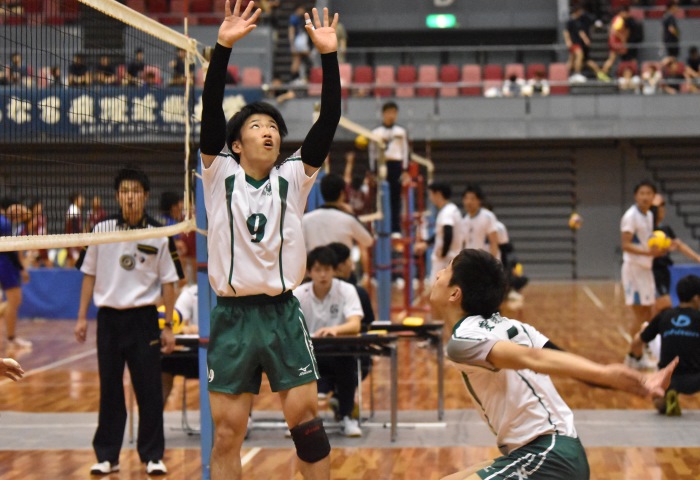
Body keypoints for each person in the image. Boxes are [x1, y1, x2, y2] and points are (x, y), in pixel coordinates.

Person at [198, 1, 340, 478]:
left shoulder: (293, 177)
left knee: (308, 428)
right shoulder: (219, 173)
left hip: (281, 314)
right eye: (257, 126)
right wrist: (223, 47)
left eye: (275, 128)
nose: (269, 132)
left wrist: (328, 56)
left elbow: (328, 121)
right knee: (227, 434)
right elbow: (212, 111)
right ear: (236, 144)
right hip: (233, 318)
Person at [433, 249, 678, 480]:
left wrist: (615, 376)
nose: (437, 274)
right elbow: (574, 368)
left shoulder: (464, 342)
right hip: (551, 451)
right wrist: (634, 381)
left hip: (548, 455)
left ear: (455, 293)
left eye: (446, 270)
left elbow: (533, 359)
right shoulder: (515, 327)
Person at [74, 167, 184, 476]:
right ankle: (107, 456)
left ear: (145, 195)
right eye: (124, 191)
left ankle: (152, 456)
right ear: (117, 196)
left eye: (135, 191)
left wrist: (168, 326)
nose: (130, 197)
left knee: (149, 389)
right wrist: (81, 317)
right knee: (109, 389)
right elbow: (88, 274)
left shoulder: (159, 233)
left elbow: (170, 282)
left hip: (144, 320)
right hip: (109, 320)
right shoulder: (101, 229)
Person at [293, 247, 364, 437]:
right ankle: (297, 421)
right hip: (307, 352)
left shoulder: (347, 290)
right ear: (309, 272)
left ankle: (347, 416)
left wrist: (335, 330)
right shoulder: (298, 294)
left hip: (337, 351)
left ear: (334, 270)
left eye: (327, 269)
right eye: (318, 270)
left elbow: (355, 324)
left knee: (347, 362)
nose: (323, 275)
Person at [630, 274, 700, 416]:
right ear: (696, 298)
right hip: (695, 379)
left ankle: (664, 398)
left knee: (659, 401)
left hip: (667, 378)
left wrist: (634, 360)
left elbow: (637, 341)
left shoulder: (665, 316)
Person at [621, 180, 666, 369]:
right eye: (642, 193)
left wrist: (659, 249)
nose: (645, 197)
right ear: (635, 196)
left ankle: (640, 351)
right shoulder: (631, 216)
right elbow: (626, 244)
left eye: (649, 193)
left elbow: (646, 242)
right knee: (639, 315)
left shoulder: (649, 215)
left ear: (653, 196)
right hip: (634, 269)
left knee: (648, 313)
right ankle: (633, 355)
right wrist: (648, 253)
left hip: (646, 269)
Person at [651, 193, 700, 312]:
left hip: (663, 272)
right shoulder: (646, 229)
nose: (662, 209)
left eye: (663, 206)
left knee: (660, 307)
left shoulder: (665, 229)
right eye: (658, 207)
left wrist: (697, 258)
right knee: (662, 306)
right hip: (650, 271)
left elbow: (679, 245)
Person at [302, 173, 374, 252]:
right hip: (342, 259)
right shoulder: (348, 220)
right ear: (342, 193)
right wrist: (352, 215)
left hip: (315, 260)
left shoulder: (306, 220)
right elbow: (368, 241)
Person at [369, 101, 410, 235]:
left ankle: (395, 228)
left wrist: (405, 170)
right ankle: (378, 227)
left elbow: (405, 151)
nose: (391, 115)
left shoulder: (401, 132)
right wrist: (372, 170)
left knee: (395, 197)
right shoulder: (376, 132)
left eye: (394, 112)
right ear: (383, 114)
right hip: (380, 165)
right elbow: (372, 152)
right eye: (389, 112)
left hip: (395, 165)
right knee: (379, 197)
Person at [415, 183, 463, 285]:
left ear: (438, 194)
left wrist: (443, 253)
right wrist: (426, 244)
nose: (430, 198)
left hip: (445, 260)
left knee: (438, 289)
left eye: (431, 194)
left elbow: (448, 232)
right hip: (449, 258)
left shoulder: (447, 212)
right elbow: (441, 233)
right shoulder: (450, 209)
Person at [0, 199, 33, 349]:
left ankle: (11, 338)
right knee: (14, 300)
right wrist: (21, 268)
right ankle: (11, 339)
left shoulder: (7, 221)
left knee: (12, 301)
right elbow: (10, 249)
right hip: (5, 264)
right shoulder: (4, 222)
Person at [161, 283, 199, 405]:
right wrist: (186, 328)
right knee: (164, 363)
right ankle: (156, 414)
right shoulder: (191, 293)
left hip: (223, 352)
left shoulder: (228, 290)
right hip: (195, 353)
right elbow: (176, 321)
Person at [461, 184, 500, 261]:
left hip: (485, 261)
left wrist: (492, 263)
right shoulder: (464, 220)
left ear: (479, 200)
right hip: (470, 261)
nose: (469, 202)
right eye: (466, 198)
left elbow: (494, 242)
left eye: (472, 199)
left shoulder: (488, 216)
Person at [602, 6, 631, 77]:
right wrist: (622, 38)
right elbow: (613, 30)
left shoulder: (617, 19)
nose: (627, 15)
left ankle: (606, 73)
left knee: (613, 59)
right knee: (612, 59)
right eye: (626, 13)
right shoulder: (619, 20)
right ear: (622, 12)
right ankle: (602, 73)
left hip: (614, 42)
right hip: (615, 42)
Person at [288, 4, 313, 81]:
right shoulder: (294, 18)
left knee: (301, 60)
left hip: (303, 41)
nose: (303, 11)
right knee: (297, 60)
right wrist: (292, 45)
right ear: (298, 9)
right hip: (299, 42)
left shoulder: (302, 19)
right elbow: (291, 31)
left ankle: (303, 77)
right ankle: (294, 79)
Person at [661, 1, 681, 65]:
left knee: (671, 58)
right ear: (672, 7)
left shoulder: (665, 16)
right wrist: (678, 34)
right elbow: (671, 29)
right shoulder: (671, 17)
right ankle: (662, 64)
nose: (677, 8)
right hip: (672, 41)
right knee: (672, 58)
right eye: (676, 6)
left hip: (667, 40)